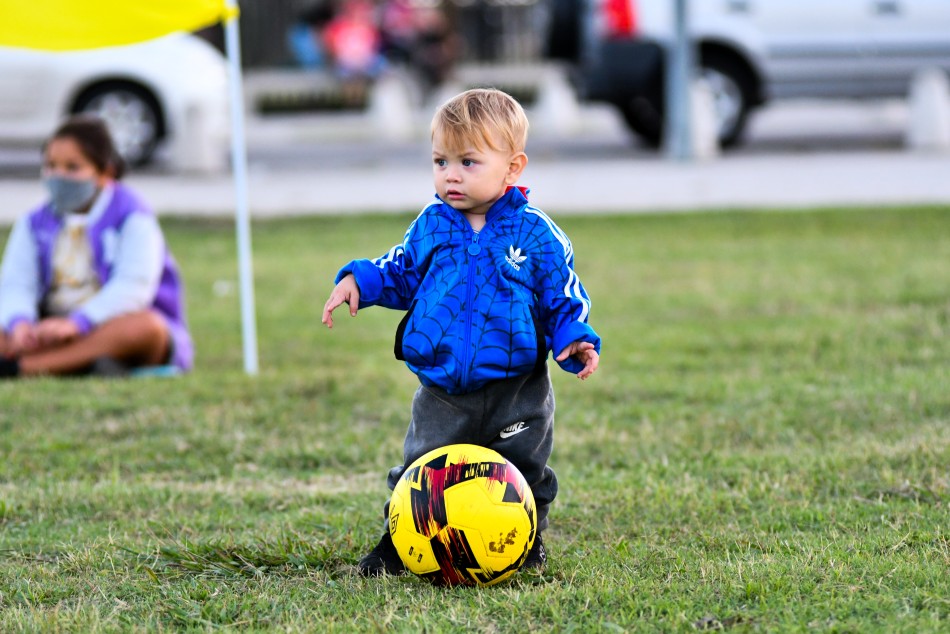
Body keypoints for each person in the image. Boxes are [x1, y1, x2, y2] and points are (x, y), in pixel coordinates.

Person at [322, 88, 601, 576]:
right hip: (444, 385)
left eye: (468, 161)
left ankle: (523, 540)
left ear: (512, 168)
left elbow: (563, 294)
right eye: (440, 160)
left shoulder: (537, 234)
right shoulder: (432, 225)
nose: (450, 174)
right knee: (423, 467)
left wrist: (574, 336)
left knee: (524, 468)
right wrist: (358, 282)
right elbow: (400, 270)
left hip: (518, 385)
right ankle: (399, 543)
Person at [0, 115, 193, 379]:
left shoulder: (132, 216)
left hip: (108, 325)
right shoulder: (33, 222)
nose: (59, 176)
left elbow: (133, 287)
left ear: (105, 173)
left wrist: (78, 323)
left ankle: (24, 368)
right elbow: (15, 283)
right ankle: (81, 363)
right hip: (49, 328)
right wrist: (21, 324)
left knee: (147, 328)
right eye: (51, 166)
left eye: (72, 167)